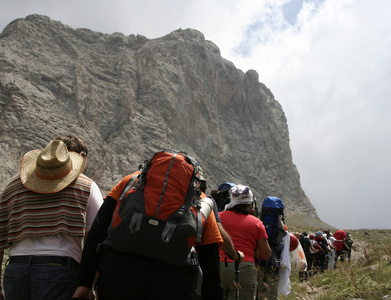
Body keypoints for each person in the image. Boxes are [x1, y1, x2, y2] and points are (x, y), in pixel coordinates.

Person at [72, 161, 224, 300]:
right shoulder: (200, 201)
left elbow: (97, 232)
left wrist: (84, 282)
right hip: (171, 285)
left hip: (118, 277)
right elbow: (210, 264)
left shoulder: (130, 182)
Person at [0, 135, 103, 300]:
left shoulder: (13, 186)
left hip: (15, 270)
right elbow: (94, 240)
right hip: (59, 272)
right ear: (81, 158)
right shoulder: (86, 186)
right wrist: (89, 284)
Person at [218, 185, 271, 300]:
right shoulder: (256, 223)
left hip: (218, 266)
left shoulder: (218, 217)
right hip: (245, 268)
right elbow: (266, 254)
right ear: (250, 202)